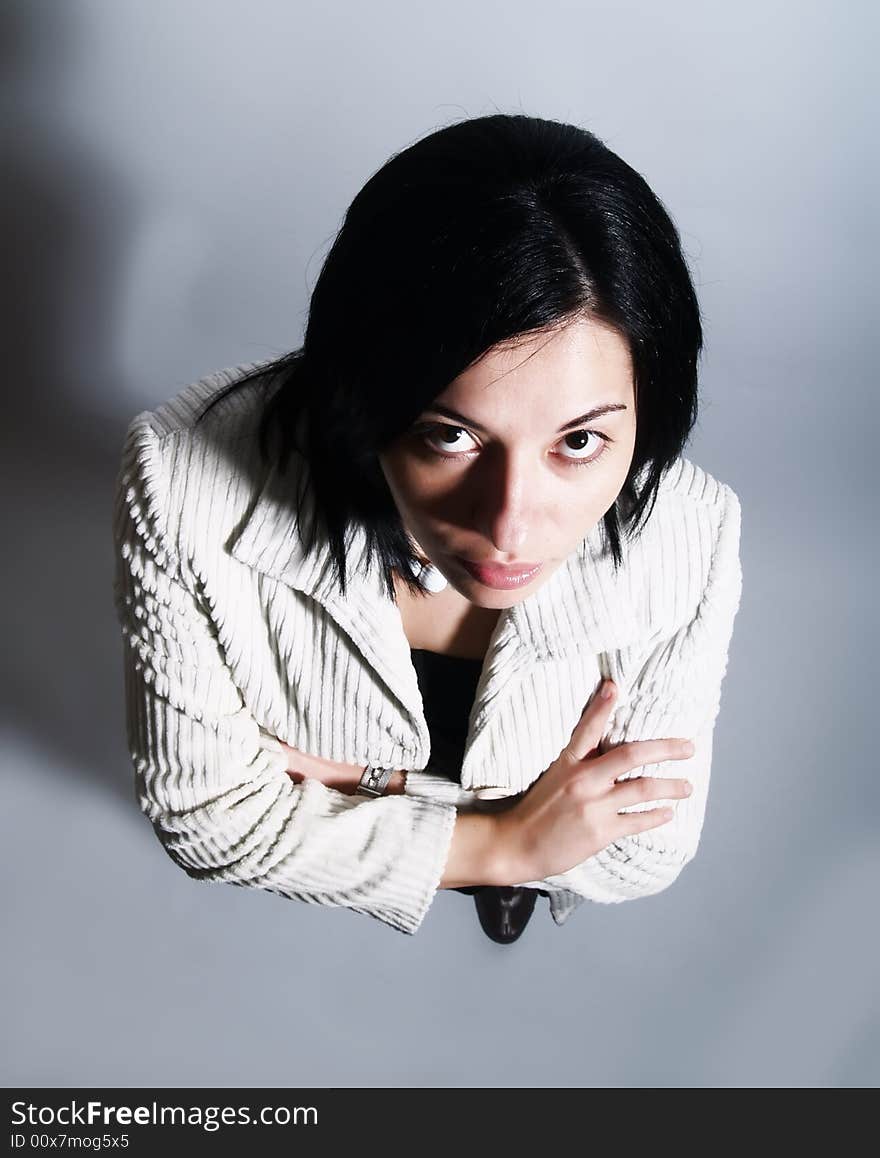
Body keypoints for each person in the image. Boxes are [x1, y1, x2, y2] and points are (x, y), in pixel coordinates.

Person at [111, 113, 743, 943]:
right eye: (450, 435)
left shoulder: (691, 534)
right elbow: (204, 821)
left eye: (580, 442)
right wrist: (515, 838)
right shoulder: (180, 479)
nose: (508, 524)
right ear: (363, 389)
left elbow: (641, 856)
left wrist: (369, 785)